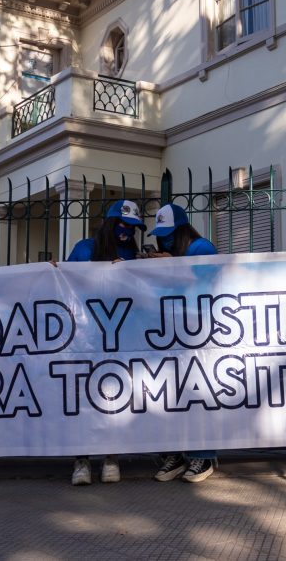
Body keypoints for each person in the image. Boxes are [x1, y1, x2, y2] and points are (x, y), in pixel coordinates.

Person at [65, 199, 145, 486]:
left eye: (133, 227)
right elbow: (64, 284)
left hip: (120, 335)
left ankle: (111, 456)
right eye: (123, 225)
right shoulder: (84, 248)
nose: (127, 232)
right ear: (111, 223)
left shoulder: (133, 255)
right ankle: (81, 459)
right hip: (85, 333)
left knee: (114, 395)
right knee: (82, 397)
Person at [145, 203, 219, 483]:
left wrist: (167, 264)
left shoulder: (201, 247)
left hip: (198, 330)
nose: (164, 239)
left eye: (170, 233)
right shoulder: (172, 252)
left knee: (198, 391)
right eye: (160, 234)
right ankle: (175, 453)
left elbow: (205, 280)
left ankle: (205, 453)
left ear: (182, 230)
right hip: (170, 330)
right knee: (170, 393)